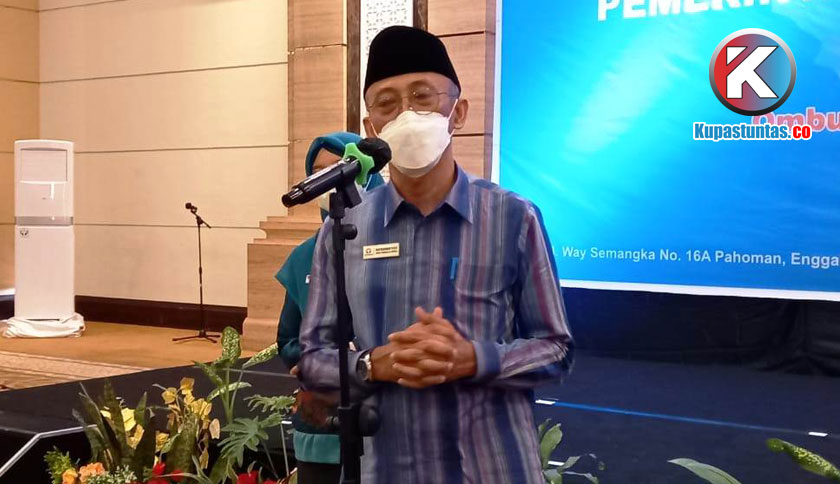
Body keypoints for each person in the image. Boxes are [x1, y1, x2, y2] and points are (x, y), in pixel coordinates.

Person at [298, 26, 574, 483]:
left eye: (422, 97)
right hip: (386, 469)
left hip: (493, 467)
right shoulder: (344, 229)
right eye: (387, 103)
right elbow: (312, 359)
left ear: (458, 112)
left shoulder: (512, 217)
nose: (406, 114)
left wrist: (472, 358)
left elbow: (556, 348)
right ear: (372, 129)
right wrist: (373, 365)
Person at [276, 132, 384, 484]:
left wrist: (361, 359)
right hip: (321, 420)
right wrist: (316, 360)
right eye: (318, 171)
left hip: (385, 418)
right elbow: (288, 339)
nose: (327, 178)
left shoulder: (395, 242)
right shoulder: (303, 256)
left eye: (336, 167)